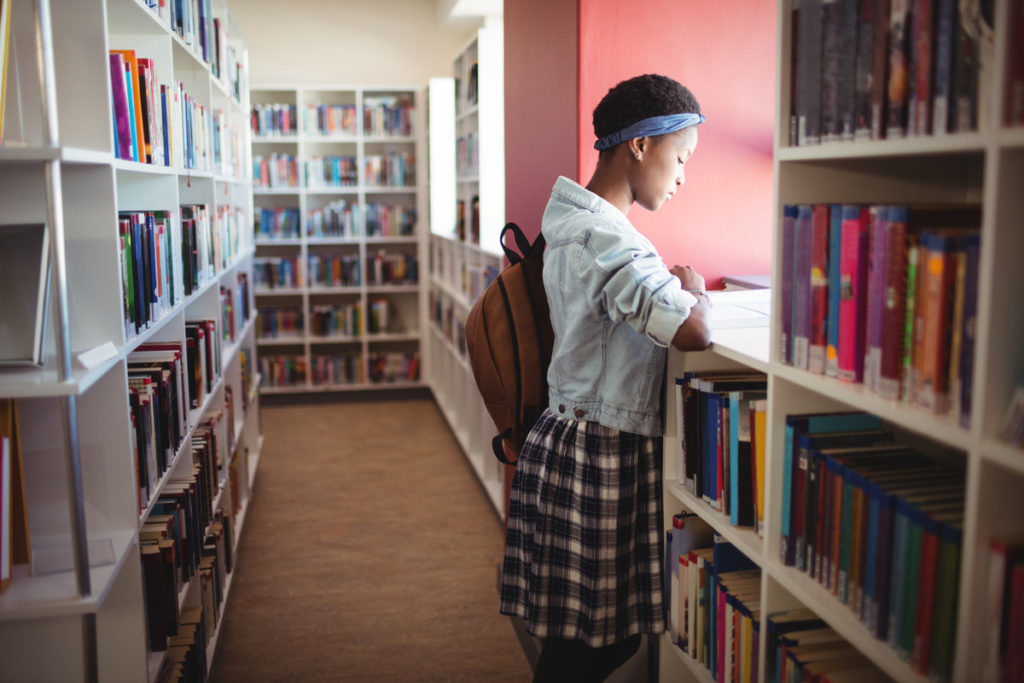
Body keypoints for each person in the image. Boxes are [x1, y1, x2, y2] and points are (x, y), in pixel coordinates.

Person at [499, 73, 713, 683]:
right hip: (597, 455)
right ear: (640, 145)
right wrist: (693, 293)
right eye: (680, 158)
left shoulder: (576, 223)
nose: (681, 177)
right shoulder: (602, 237)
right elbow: (692, 331)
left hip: (578, 442)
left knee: (590, 643)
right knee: (596, 648)